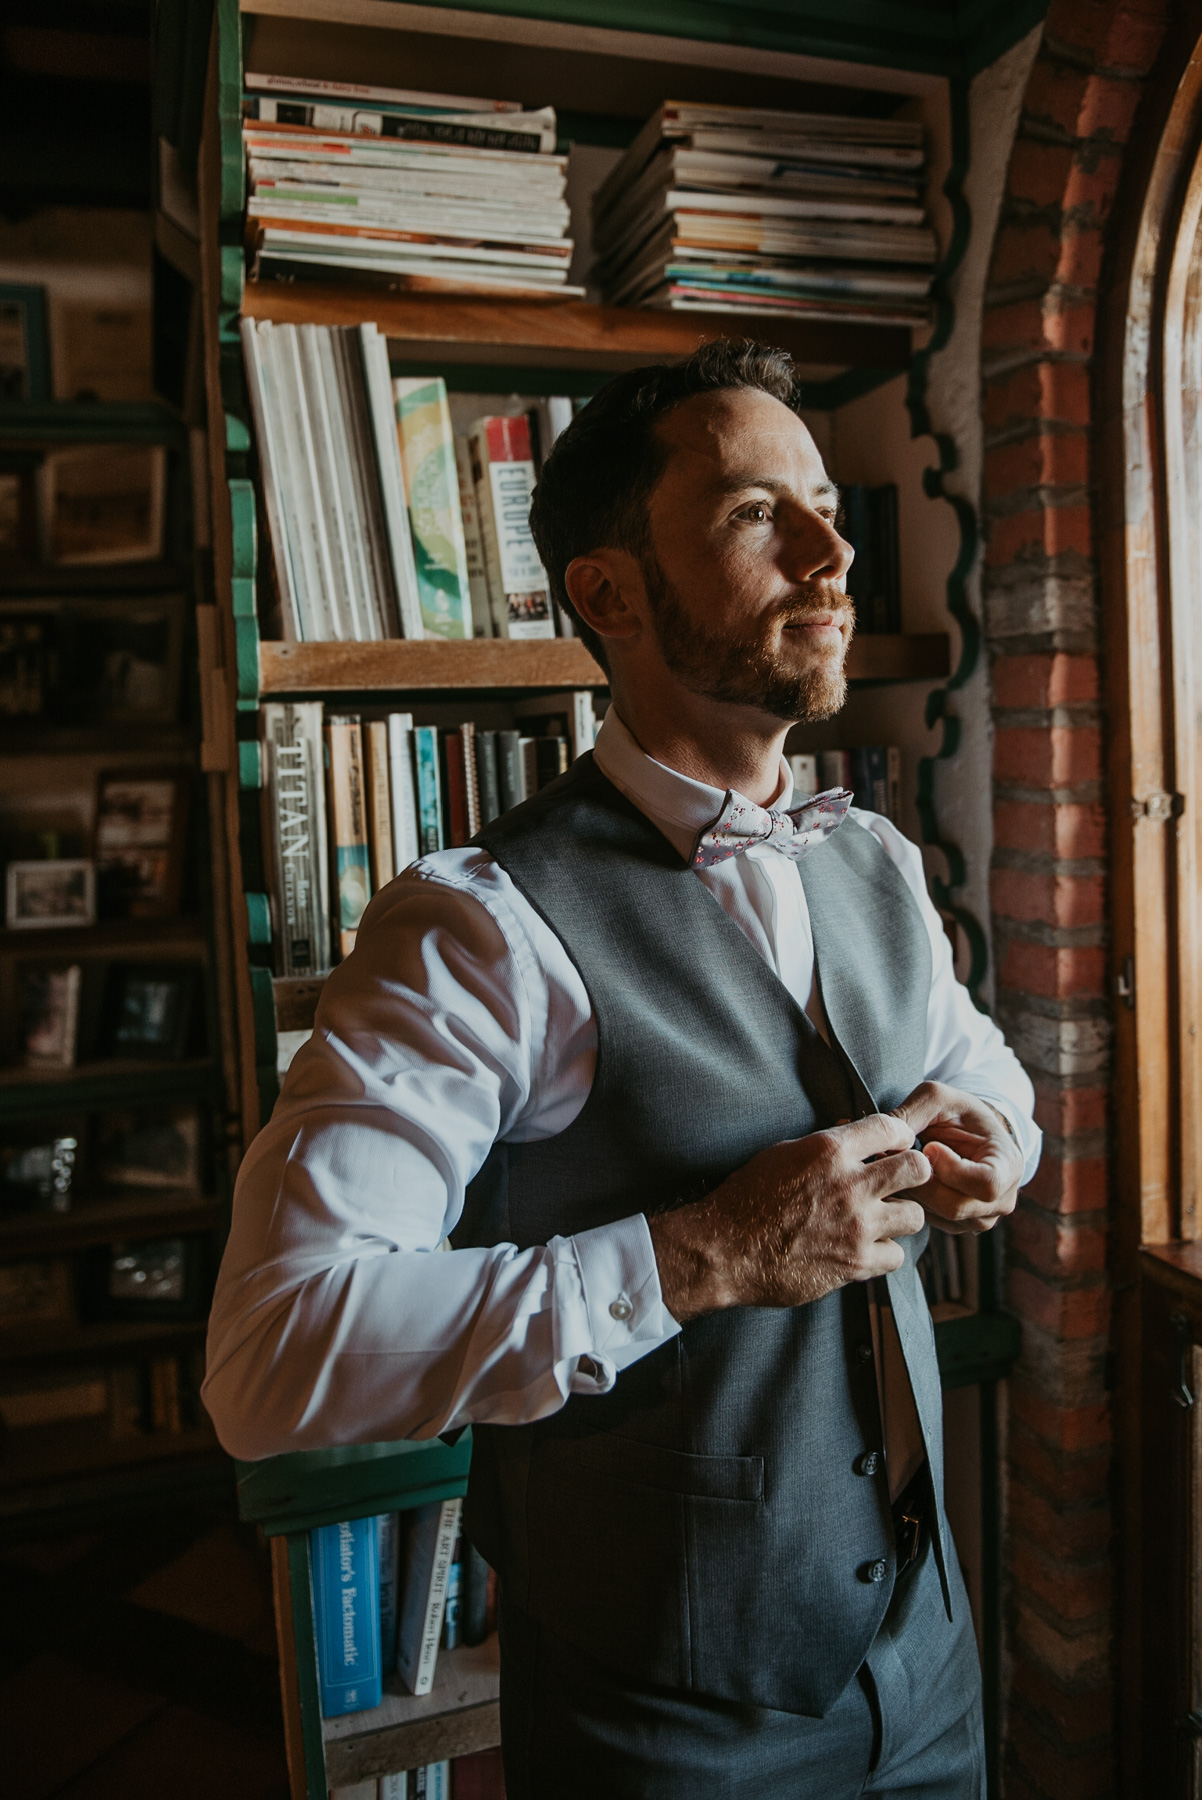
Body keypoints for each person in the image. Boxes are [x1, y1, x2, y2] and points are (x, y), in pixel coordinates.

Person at [204, 340, 1039, 1798]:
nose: (835, 549)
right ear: (608, 594)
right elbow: (272, 1361)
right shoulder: (476, 926)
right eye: (750, 514)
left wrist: (987, 1150)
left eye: (825, 502)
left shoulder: (875, 858)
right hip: (668, 1719)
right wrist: (705, 1254)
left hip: (927, 1661)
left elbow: (986, 1078)